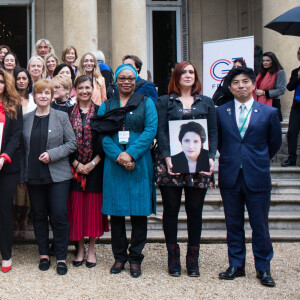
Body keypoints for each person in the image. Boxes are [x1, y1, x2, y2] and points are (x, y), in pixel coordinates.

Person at [217, 67, 282, 287]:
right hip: (230, 174)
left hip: (257, 174)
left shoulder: (268, 113)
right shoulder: (221, 112)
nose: (241, 86)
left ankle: (263, 268)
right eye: (236, 82)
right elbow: (218, 141)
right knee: (233, 223)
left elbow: (274, 143)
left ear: (254, 85)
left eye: (245, 81)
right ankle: (236, 265)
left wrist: (257, 159)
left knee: (260, 224)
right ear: (230, 87)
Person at [155, 61, 217, 277]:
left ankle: (193, 259)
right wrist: (167, 156)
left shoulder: (207, 102)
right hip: (171, 163)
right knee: (170, 210)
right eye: (184, 72)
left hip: (199, 164)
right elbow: (161, 130)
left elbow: (213, 132)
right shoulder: (164, 101)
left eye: (192, 72)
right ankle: (173, 257)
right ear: (177, 76)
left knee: (195, 211)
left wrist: (211, 157)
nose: (188, 75)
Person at [96, 64, 158, 278]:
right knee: (118, 213)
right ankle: (119, 257)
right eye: (122, 78)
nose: (126, 82)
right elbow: (102, 135)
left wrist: (131, 154)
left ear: (136, 80)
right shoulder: (107, 105)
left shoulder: (146, 103)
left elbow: (150, 131)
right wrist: (119, 157)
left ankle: (135, 258)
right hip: (114, 165)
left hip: (140, 162)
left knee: (139, 212)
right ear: (115, 80)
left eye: (130, 78)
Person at [21, 80, 77, 275]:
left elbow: (72, 143)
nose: (43, 96)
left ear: (52, 96)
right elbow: (22, 150)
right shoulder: (26, 119)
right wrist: (22, 176)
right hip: (34, 175)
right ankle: (43, 254)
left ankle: (61, 257)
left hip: (58, 175)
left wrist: (52, 154)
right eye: (39, 93)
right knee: (38, 215)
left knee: (59, 215)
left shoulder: (61, 116)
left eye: (47, 92)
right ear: (34, 96)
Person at [67, 75, 109, 269]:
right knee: (76, 210)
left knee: (92, 210)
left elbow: (105, 141)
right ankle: (80, 248)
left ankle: (91, 248)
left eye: (87, 87)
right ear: (75, 89)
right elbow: (63, 141)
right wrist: (76, 163)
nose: (84, 91)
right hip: (73, 169)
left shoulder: (101, 112)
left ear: (93, 89)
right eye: (81, 88)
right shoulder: (68, 113)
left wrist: (92, 163)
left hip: (95, 168)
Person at [0, 68, 22, 273]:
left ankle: (6, 254)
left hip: (7, 168)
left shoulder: (14, 105)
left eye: (0, 81)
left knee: (5, 211)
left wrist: (3, 157)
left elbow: (16, 136)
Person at [13, 68, 36, 238]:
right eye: (19, 78)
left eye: (24, 78)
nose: (21, 81)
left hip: (31, 146)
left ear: (29, 81)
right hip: (14, 147)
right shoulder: (10, 99)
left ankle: (24, 219)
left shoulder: (34, 99)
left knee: (27, 183)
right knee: (15, 184)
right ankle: (14, 218)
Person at [253, 51, 286, 121]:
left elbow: (281, 90)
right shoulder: (261, 73)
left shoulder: (280, 72)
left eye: (268, 60)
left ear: (273, 61)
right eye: (263, 61)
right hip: (258, 103)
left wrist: (264, 93)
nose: (265, 62)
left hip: (272, 103)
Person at [282, 47, 300, 167]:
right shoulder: (295, 72)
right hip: (297, 106)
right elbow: (289, 87)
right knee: (292, 132)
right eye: (299, 53)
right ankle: (292, 158)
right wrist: (298, 77)